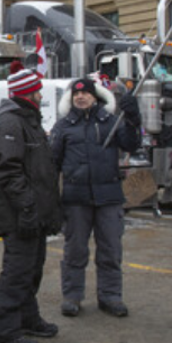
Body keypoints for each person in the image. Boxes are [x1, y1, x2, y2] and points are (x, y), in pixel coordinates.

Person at [49, 74, 141, 319]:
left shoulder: (112, 121)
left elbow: (131, 145)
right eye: (76, 93)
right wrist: (51, 201)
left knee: (110, 251)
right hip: (75, 199)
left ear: (95, 96)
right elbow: (52, 165)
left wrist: (133, 119)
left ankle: (110, 296)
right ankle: (72, 296)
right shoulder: (63, 127)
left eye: (86, 93)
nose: (81, 97)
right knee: (75, 251)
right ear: (71, 97)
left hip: (108, 198)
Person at [0, 63, 62, 343]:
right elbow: (8, 172)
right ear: (28, 93)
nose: (41, 94)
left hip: (33, 215)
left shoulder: (28, 120)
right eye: (38, 90)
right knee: (17, 272)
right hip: (19, 216)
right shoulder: (11, 123)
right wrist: (28, 208)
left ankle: (27, 318)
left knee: (32, 269)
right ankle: (3, 331)